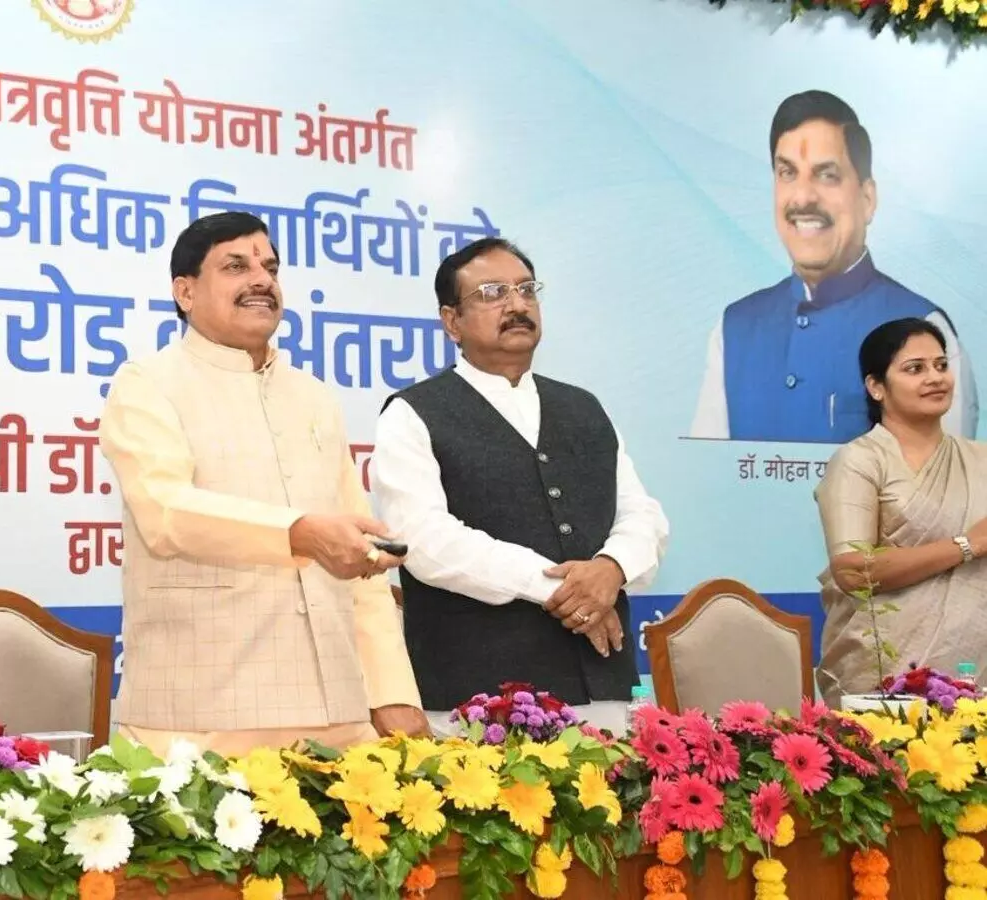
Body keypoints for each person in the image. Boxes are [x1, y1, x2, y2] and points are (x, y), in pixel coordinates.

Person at [98, 211, 427, 758]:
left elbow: (363, 553)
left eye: (269, 268)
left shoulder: (313, 395)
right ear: (185, 292)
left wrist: (391, 690)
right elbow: (167, 513)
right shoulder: (147, 384)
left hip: (339, 721)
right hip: (200, 720)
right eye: (235, 267)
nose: (261, 280)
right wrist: (301, 533)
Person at [372, 237, 669, 735]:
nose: (517, 305)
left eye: (527, 290)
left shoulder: (583, 408)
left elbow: (641, 514)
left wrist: (611, 568)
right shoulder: (411, 413)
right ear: (452, 321)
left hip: (602, 692)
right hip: (477, 702)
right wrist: (562, 589)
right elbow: (424, 541)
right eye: (492, 293)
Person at [690, 89, 976, 444]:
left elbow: (948, 475)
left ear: (867, 199)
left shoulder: (927, 331)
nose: (803, 197)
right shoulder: (733, 330)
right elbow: (707, 470)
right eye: (787, 173)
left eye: (826, 175)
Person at [814, 318, 987, 705]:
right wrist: (967, 545)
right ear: (876, 387)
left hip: (976, 674)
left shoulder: (981, 461)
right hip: (885, 681)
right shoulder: (859, 461)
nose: (935, 377)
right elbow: (853, 570)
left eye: (941, 365)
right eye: (915, 368)